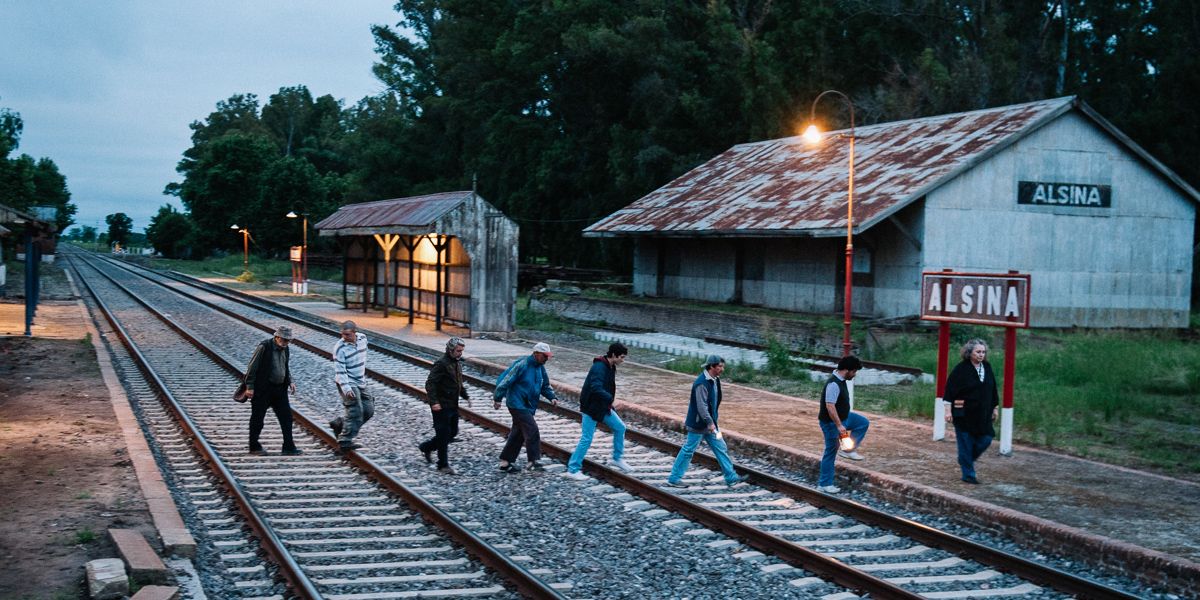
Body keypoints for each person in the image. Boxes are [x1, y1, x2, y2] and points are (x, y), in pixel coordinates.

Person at [665, 355, 747, 488]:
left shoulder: (715, 380)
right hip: (699, 425)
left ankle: (731, 477)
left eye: (722, 366)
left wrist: (712, 421)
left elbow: (714, 402)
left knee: (721, 446)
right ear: (712, 366)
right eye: (720, 366)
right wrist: (709, 422)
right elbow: (701, 406)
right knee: (688, 450)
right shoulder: (701, 383)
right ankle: (674, 478)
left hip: (711, 425)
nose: (722, 369)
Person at [564, 343, 632, 481]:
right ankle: (572, 469)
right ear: (614, 355)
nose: (623, 361)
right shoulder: (599, 367)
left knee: (620, 427)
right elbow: (595, 388)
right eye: (622, 357)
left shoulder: (611, 366)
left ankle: (617, 458)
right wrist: (611, 400)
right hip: (590, 407)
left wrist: (609, 402)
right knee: (586, 439)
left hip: (602, 406)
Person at [494, 342, 558, 473]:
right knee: (532, 429)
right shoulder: (522, 365)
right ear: (536, 354)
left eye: (547, 356)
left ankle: (505, 462)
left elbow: (544, 385)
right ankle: (533, 461)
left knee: (518, 433)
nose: (546, 359)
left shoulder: (540, 367)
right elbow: (506, 381)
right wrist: (498, 398)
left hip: (528, 405)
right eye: (544, 356)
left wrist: (552, 397)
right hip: (516, 403)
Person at [943, 339, 1000, 485]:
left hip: (983, 414)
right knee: (966, 443)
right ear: (970, 353)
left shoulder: (987, 367)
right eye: (978, 352)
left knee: (986, 438)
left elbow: (993, 388)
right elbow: (950, 390)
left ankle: (964, 459)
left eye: (983, 352)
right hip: (963, 413)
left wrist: (995, 408)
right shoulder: (961, 369)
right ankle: (968, 475)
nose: (981, 354)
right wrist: (948, 411)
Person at [816, 355, 870, 493]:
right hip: (831, 423)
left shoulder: (841, 380)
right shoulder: (833, 384)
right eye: (854, 372)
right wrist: (839, 425)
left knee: (862, 423)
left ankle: (847, 450)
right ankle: (824, 484)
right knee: (831, 451)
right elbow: (830, 406)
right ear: (846, 370)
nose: (855, 374)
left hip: (845, 417)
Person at [244, 326, 301, 456]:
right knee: (258, 419)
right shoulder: (264, 347)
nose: (286, 342)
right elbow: (252, 367)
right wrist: (250, 387)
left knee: (286, 418)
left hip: (280, 389)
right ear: (277, 337)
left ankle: (288, 446)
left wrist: (290, 381)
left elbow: (285, 367)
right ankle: (254, 446)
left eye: (288, 340)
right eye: (284, 339)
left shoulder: (285, 349)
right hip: (263, 389)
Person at [420, 337, 470, 474]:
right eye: (458, 351)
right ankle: (443, 465)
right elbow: (430, 384)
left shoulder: (456, 363)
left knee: (452, 432)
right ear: (450, 350)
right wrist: (434, 402)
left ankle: (426, 447)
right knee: (443, 434)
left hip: (452, 404)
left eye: (461, 351)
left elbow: (458, 382)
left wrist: (465, 395)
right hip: (441, 405)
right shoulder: (441, 364)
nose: (460, 353)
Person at [329, 320, 374, 452]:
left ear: (355, 332)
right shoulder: (339, 348)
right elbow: (340, 370)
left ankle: (340, 424)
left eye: (347, 334)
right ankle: (345, 441)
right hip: (347, 382)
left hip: (360, 381)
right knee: (355, 411)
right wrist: (346, 388)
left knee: (368, 410)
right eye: (342, 334)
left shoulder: (363, 339)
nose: (344, 337)